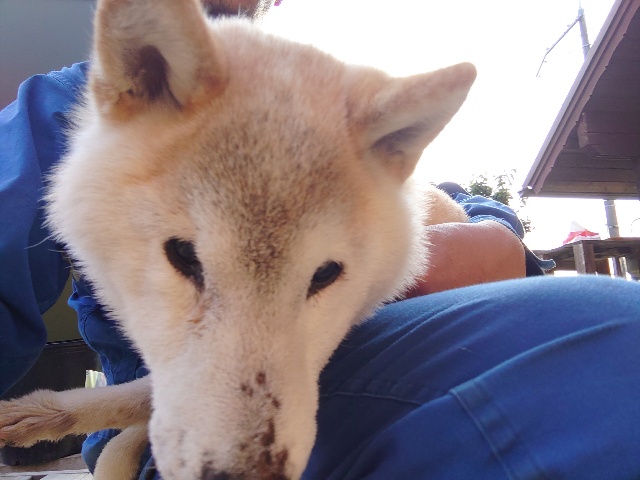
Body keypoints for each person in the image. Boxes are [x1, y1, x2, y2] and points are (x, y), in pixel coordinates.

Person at [1, 1, 638, 479]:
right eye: (188, 258)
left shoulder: (341, 106)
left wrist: (497, 232)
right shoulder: (66, 107)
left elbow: (448, 207)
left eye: (323, 275)